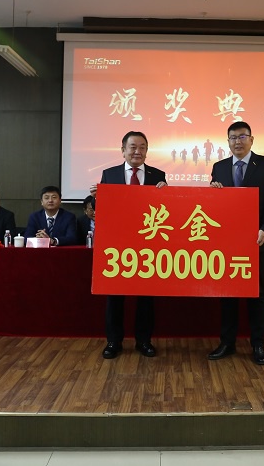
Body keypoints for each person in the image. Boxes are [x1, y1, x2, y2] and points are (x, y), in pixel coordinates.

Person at [208, 121, 264, 366]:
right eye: (233, 137)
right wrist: (213, 193)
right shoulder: (219, 167)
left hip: (256, 241)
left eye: (242, 136)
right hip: (228, 243)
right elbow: (215, 207)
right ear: (227, 141)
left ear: (251, 139)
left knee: (256, 294)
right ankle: (227, 343)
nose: (237, 141)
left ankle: (258, 344)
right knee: (227, 294)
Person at [91, 131, 168, 360]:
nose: (137, 151)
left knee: (146, 296)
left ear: (147, 150)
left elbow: (165, 210)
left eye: (142, 147)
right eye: (133, 147)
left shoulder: (158, 175)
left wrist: (167, 194)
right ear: (123, 150)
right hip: (118, 244)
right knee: (115, 296)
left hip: (147, 244)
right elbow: (105, 211)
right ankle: (113, 342)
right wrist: (97, 198)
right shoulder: (110, 174)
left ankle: (144, 341)